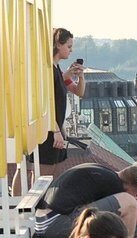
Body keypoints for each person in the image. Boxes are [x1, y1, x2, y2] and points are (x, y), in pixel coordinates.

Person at [32, 162, 137, 238]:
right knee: (129, 203)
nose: (136, 197)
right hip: (54, 227)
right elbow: (129, 211)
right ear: (133, 186)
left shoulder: (101, 171)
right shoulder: (114, 185)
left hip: (44, 225)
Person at [35, 27, 85, 175]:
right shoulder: (48, 69)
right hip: (50, 131)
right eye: (68, 46)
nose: (71, 50)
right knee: (45, 177)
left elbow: (78, 91)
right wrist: (56, 129)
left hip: (55, 129)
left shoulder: (57, 69)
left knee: (54, 175)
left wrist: (81, 76)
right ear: (58, 45)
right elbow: (45, 103)